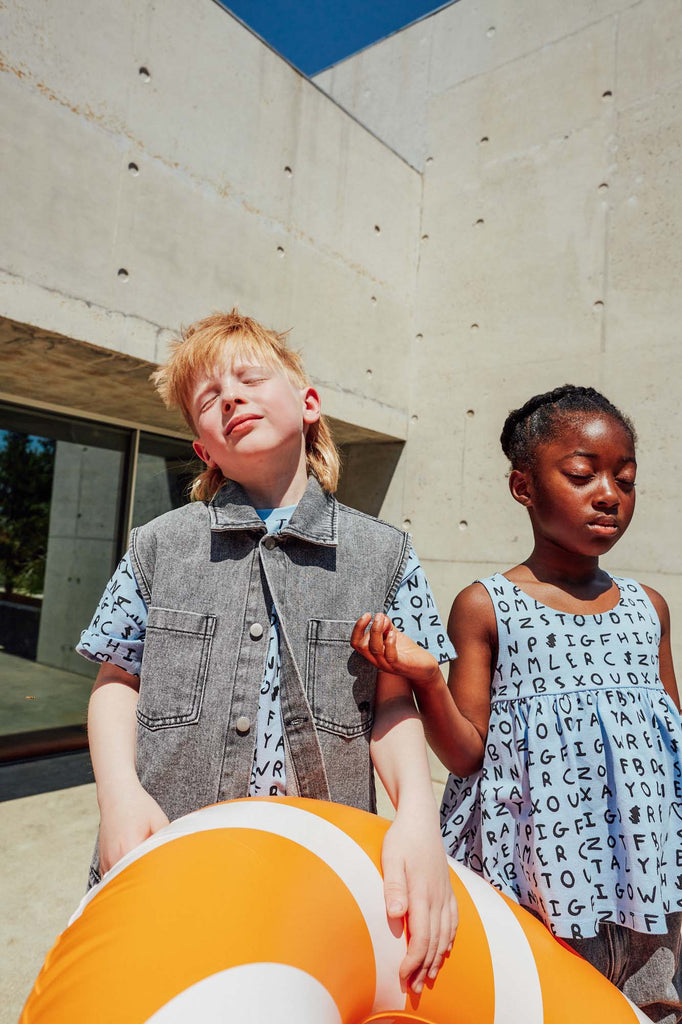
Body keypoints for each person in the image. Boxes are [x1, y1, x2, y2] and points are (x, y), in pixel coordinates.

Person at [77, 309, 457, 993]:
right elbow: (115, 681)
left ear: (309, 405)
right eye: (209, 399)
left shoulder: (386, 555)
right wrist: (118, 797)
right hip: (167, 849)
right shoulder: (157, 546)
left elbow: (391, 710)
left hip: (317, 866)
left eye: (249, 379)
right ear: (203, 449)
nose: (231, 398)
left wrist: (418, 823)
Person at [352, 385, 682, 1021]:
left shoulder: (650, 609)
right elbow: (467, 752)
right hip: (540, 887)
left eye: (626, 479)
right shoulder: (486, 606)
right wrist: (427, 680)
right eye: (583, 476)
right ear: (523, 487)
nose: (609, 495)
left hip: (651, 892)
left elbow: (669, 749)